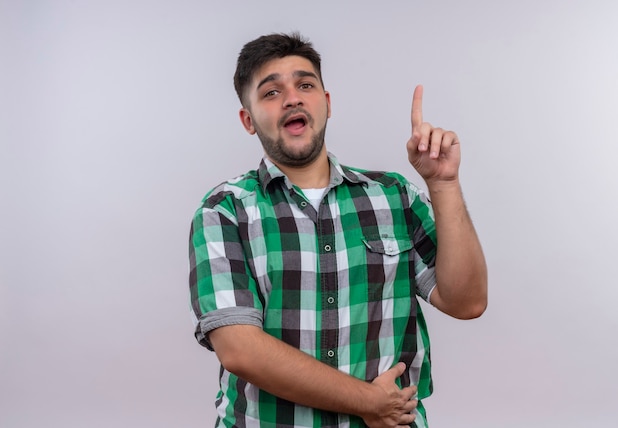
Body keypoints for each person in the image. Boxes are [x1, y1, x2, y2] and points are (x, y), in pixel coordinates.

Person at [188, 32, 487, 428]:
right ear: (248, 119)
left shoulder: (394, 196)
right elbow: (241, 350)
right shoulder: (224, 211)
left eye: (305, 85)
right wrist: (370, 402)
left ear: (327, 104)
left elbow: (466, 302)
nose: (293, 98)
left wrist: (444, 184)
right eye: (271, 93)